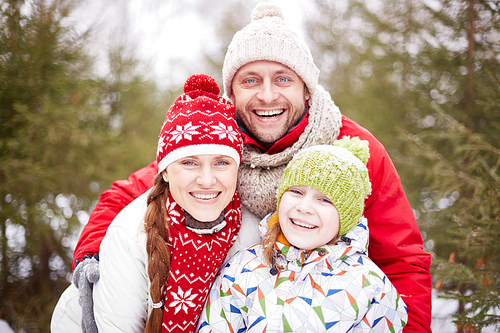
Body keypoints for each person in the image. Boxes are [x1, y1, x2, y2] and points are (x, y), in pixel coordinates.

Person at [68, 2, 432, 332]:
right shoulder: (218, 146)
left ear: (306, 89)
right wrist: (91, 255)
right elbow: (135, 191)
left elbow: (403, 259)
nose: (268, 95)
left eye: (283, 78)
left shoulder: (348, 149)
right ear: (232, 93)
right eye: (251, 80)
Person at [51, 74, 244, 333]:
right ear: (164, 171)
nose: (207, 180)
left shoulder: (247, 227)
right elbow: (120, 196)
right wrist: (92, 254)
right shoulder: (131, 235)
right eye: (189, 162)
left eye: (222, 162)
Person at [196, 137, 408, 333]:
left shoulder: (370, 285)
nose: (304, 207)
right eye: (296, 192)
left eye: (325, 200)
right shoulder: (243, 269)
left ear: (347, 216)